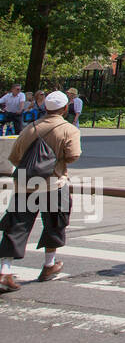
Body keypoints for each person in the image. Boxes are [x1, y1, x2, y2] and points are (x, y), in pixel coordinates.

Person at [0, 90, 82, 291]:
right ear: (64, 109)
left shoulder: (30, 128)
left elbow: (14, 156)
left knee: (17, 225)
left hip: (25, 184)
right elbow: (73, 156)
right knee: (55, 223)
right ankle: (48, 265)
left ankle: (5, 270)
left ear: (45, 107)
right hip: (54, 184)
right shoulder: (69, 130)